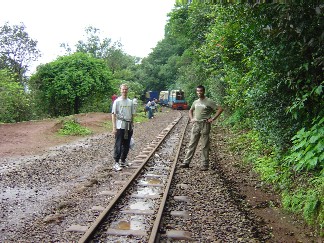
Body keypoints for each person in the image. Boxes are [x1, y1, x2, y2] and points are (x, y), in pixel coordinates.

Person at [179, 85, 223, 171]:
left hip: (205, 124)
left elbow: (220, 109)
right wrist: (192, 119)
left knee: (204, 145)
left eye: (201, 91)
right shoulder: (195, 102)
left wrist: (213, 118)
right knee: (192, 143)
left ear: (204, 91)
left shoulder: (209, 101)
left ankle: (205, 165)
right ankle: (186, 162)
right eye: (198, 91)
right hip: (196, 124)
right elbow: (190, 110)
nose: (199, 93)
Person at [111, 84, 135, 171]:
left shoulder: (130, 102)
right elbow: (113, 114)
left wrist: (132, 124)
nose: (124, 91)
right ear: (120, 90)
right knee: (118, 144)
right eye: (123, 89)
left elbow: (132, 114)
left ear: (127, 90)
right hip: (119, 125)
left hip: (128, 126)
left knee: (126, 144)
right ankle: (116, 162)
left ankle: (123, 160)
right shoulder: (117, 102)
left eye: (126, 89)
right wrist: (114, 127)